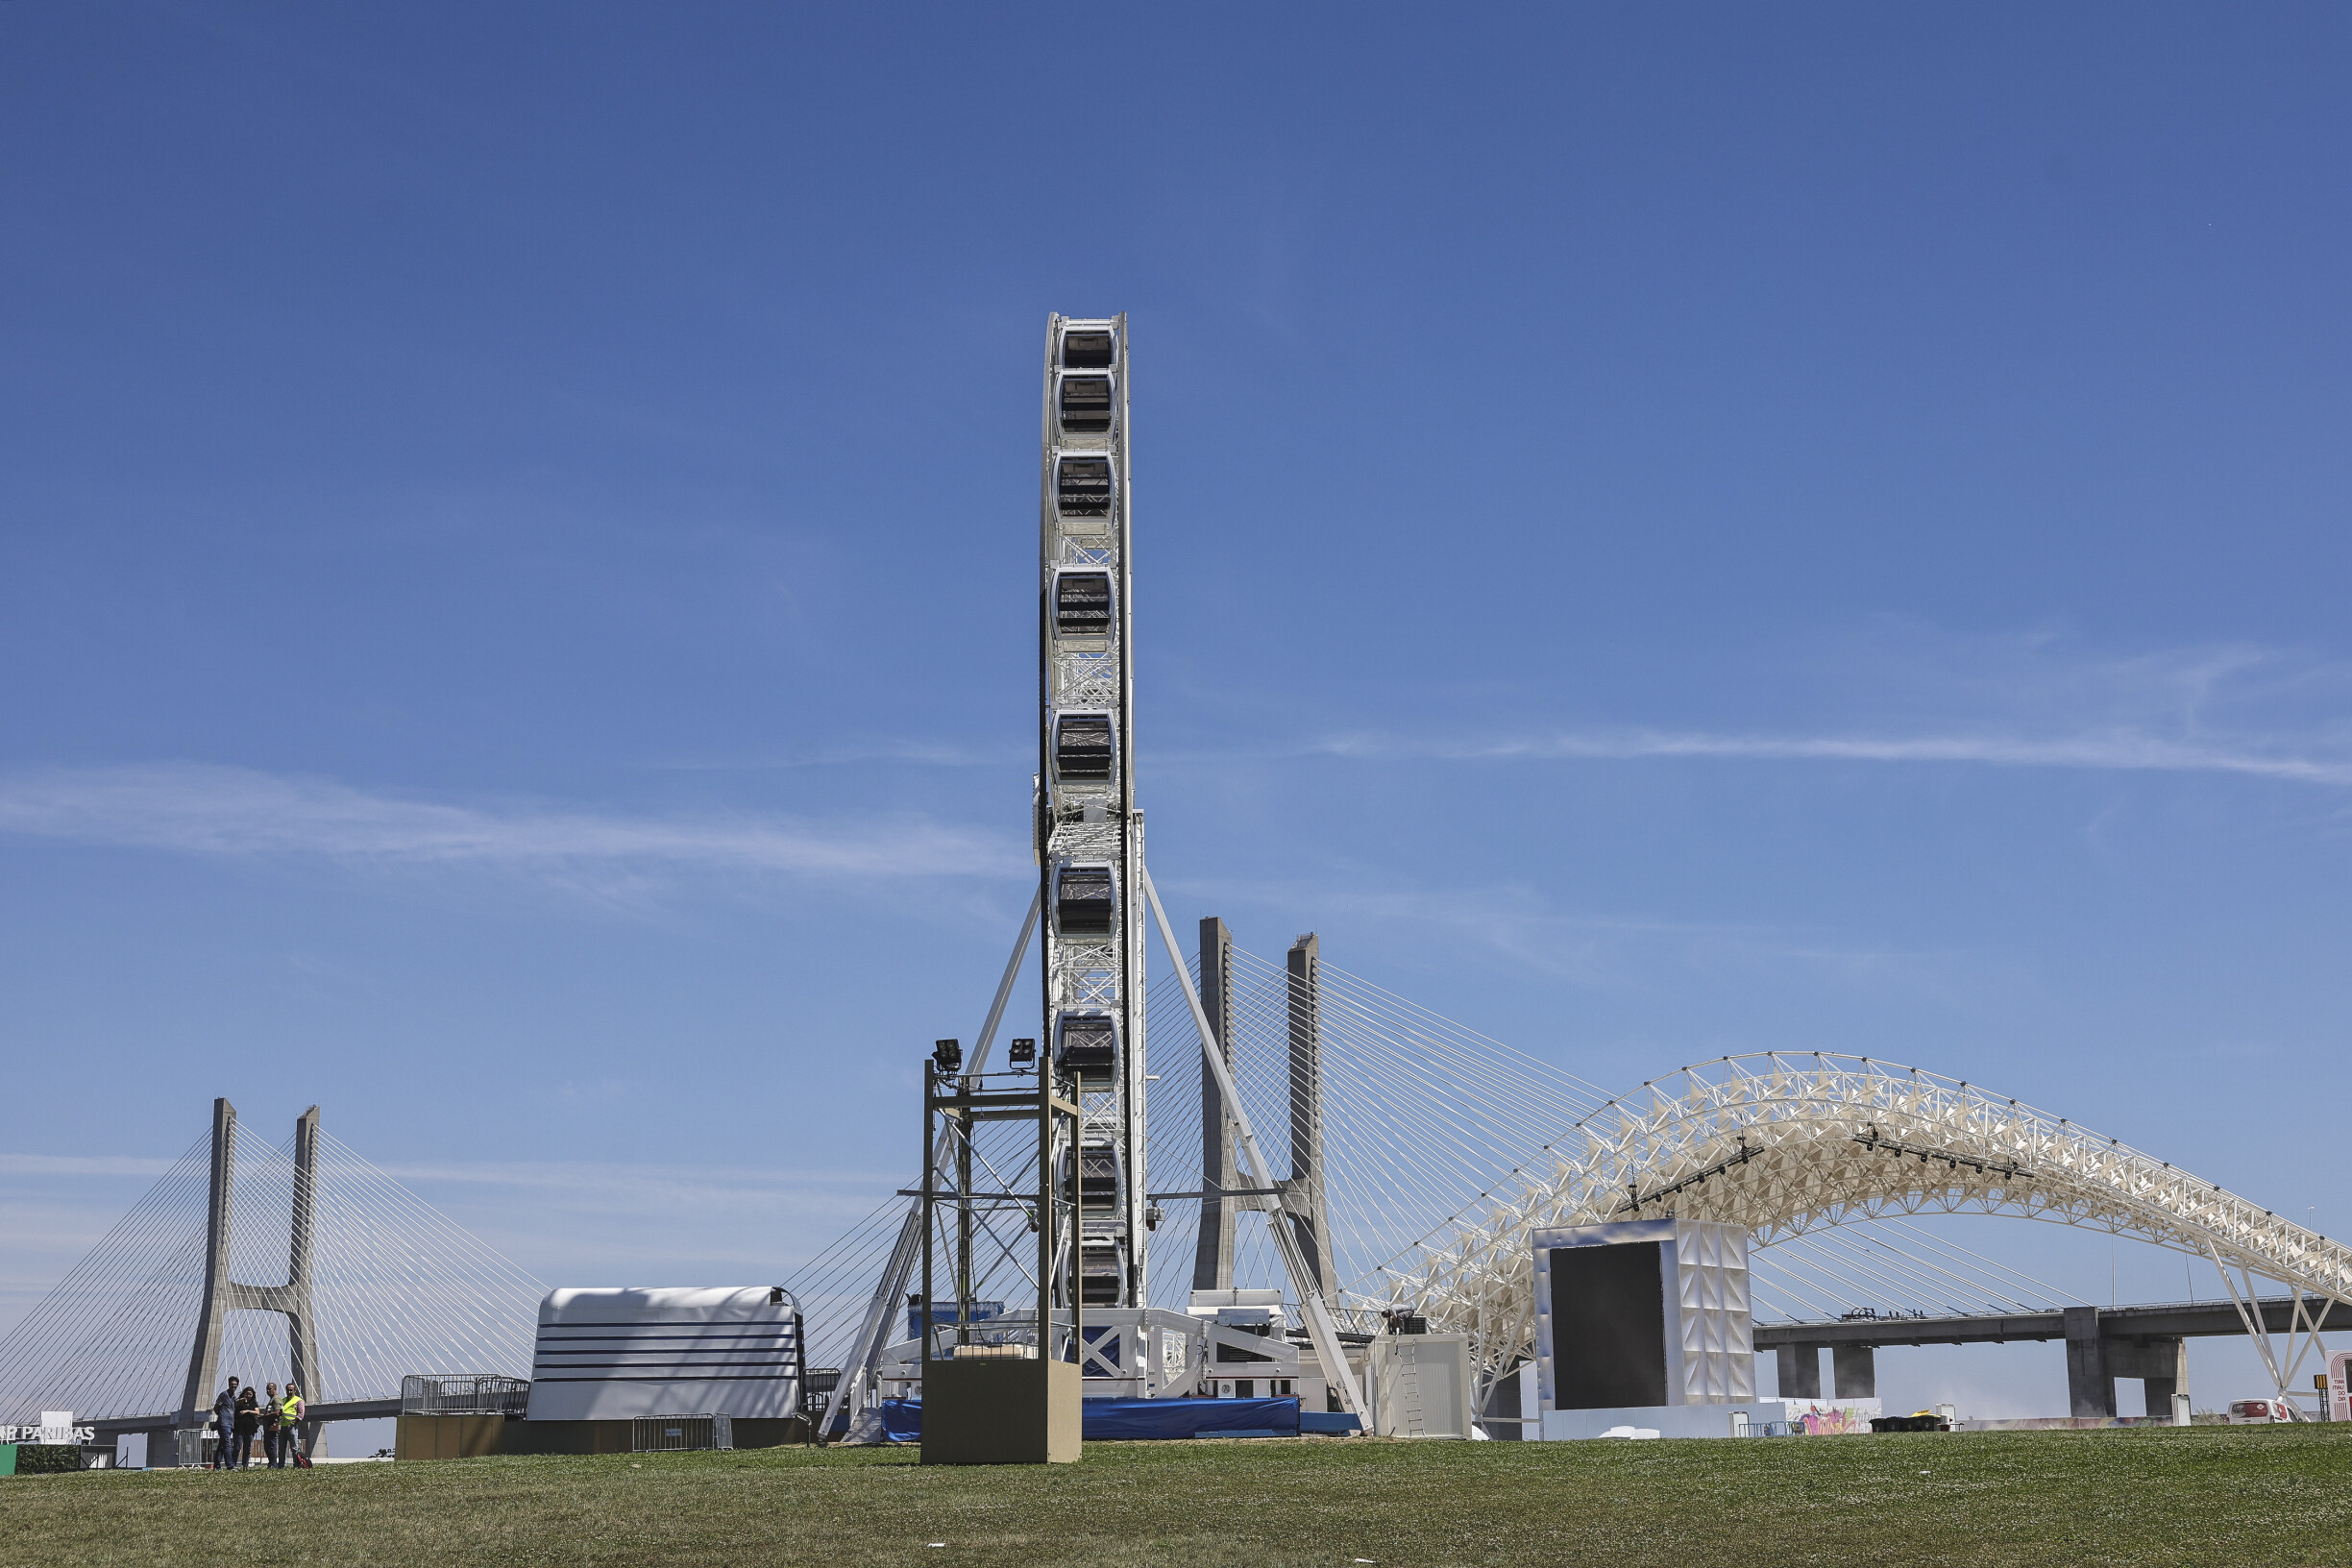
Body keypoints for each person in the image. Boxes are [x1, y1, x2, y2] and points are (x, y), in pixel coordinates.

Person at [209, 1377, 241, 1469]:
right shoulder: (224, 1395)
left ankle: (216, 1466)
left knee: (222, 1445)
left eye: (235, 1384)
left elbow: (234, 1405)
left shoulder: (233, 1396)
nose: (234, 1386)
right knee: (227, 1444)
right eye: (232, 1384)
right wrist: (221, 1415)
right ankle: (230, 1466)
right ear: (229, 1384)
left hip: (230, 1424)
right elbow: (216, 1407)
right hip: (224, 1424)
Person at [233, 1382, 260, 1468]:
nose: (248, 1396)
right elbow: (233, 1406)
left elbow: (257, 1412)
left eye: (250, 1394)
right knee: (237, 1447)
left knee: (247, 1448)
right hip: (239, 1428)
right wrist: (241, 1401)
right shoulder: (239, 1402)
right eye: (247, 1394)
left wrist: (247, 1411)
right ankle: (232, 1464)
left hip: (250, 1428)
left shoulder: (253, 1403)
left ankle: (245, 1465)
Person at [280, 1384, 307, 1468]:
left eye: (291, 1390)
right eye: (288, 1390)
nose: (289, 1391)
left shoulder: (299, 1401)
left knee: (294, 1447)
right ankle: (281, 1465)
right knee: (281, 1448)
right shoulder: (283, 1400)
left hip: (291, 1427)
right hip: (283, 1426)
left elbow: (301, 1414)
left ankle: (297, 1465)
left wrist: (294, 1422)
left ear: (295, 1391)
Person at [260, 1382, 282, 1467]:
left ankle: (273, 1465)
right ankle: (271, 1464)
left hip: (273, 1426)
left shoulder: (276, 1399)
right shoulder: (272, 1399)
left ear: (275, 1389)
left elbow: (278, 1413)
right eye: (267, 1389)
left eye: (270, 1389)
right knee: (267, 1446)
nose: (268, 1391)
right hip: (269, 1426)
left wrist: (265, 1416)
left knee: (271, 1446)